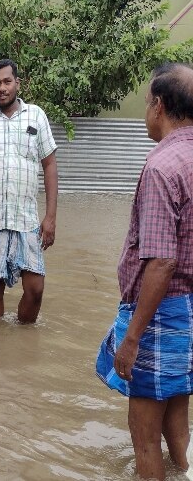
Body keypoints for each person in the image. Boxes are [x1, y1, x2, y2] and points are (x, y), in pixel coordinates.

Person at [95, 62, 193, 481]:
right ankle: (185, 470)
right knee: (177, 409)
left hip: (160, 315)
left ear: (159, 105)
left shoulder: (161, 167)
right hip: (188, 312)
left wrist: (131, 339)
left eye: (146, 102)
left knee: (144, 438)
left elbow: (162, 261)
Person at [0, 58, 58, 323]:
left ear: (17, 83)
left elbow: (50, 166)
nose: (2, 88)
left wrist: (50, 217)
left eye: (7, 82)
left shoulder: (36, 116)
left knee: (35, 289)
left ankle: (24, 341)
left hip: (27, 220)